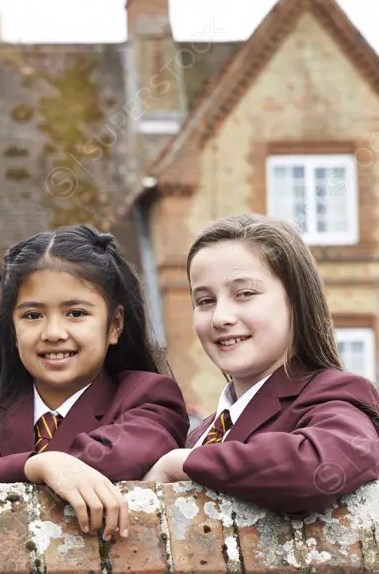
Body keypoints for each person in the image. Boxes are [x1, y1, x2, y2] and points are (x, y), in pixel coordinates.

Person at [0, 225, 189, 540]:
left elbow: (120, 457)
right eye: (33, 316)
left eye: (76, 313)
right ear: (12, 330)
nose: (53, 332)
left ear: (114, 325)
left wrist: (52, 464)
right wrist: (37, 466)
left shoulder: (147, 397)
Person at [143, 214, 379, 516]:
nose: (220, 317)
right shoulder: (199, 434)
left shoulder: (336, 395)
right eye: (204, 301)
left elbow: (318, 467)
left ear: (296, 301)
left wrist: (181, 463)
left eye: (245, 294)